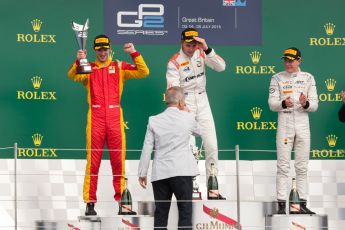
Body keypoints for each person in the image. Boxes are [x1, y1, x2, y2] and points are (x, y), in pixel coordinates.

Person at [67, 34, 149, 216]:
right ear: (94, 50)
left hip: (114, 117)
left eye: (105, 49)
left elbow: (144, 71)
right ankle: (90, 203)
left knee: (118, 162)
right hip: (95, 116)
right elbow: (72, 75)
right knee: (93, 163)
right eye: (99, 49)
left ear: (109, 49)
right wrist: (78, 60)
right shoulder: (88, 68)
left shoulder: (118, 66)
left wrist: (134, 53)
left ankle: (123, 202)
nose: (103, 52)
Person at [166, 28, 226, 199]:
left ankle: (212, 188)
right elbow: (172, 88)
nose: (190, 48)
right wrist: (182, 106)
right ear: (181, 43)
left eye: (193, 45)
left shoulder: (202, 53)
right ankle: (191, 188)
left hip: (203, 100)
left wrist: (207, 48)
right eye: (187, 45)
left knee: (212, 146)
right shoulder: (174, 62)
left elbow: (221, 67)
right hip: (185, 103)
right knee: (190, 150)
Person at [138, 86, 201, 230]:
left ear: (166, 100)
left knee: (161, 213)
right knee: (185, 211)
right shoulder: (188, 117)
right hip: (182, 171)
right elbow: (200, 131)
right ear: (180, 102)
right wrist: (188, 112)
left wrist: (142, 173)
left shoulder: (154, 120)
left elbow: (147, 148)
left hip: (160, 173)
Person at [268, 47, 318, 215]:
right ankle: (281, 205)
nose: (288, 63)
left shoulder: (308, 78)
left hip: (303, 123)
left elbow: (315, 105)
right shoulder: (276, 78)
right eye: (286, 60)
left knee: (302, 166)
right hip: (285, 123)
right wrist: (283, 103)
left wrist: (305, 104)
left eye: (291, 60)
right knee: (283, 166)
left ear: (299, 61)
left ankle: (301, 203)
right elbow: (271, 104)